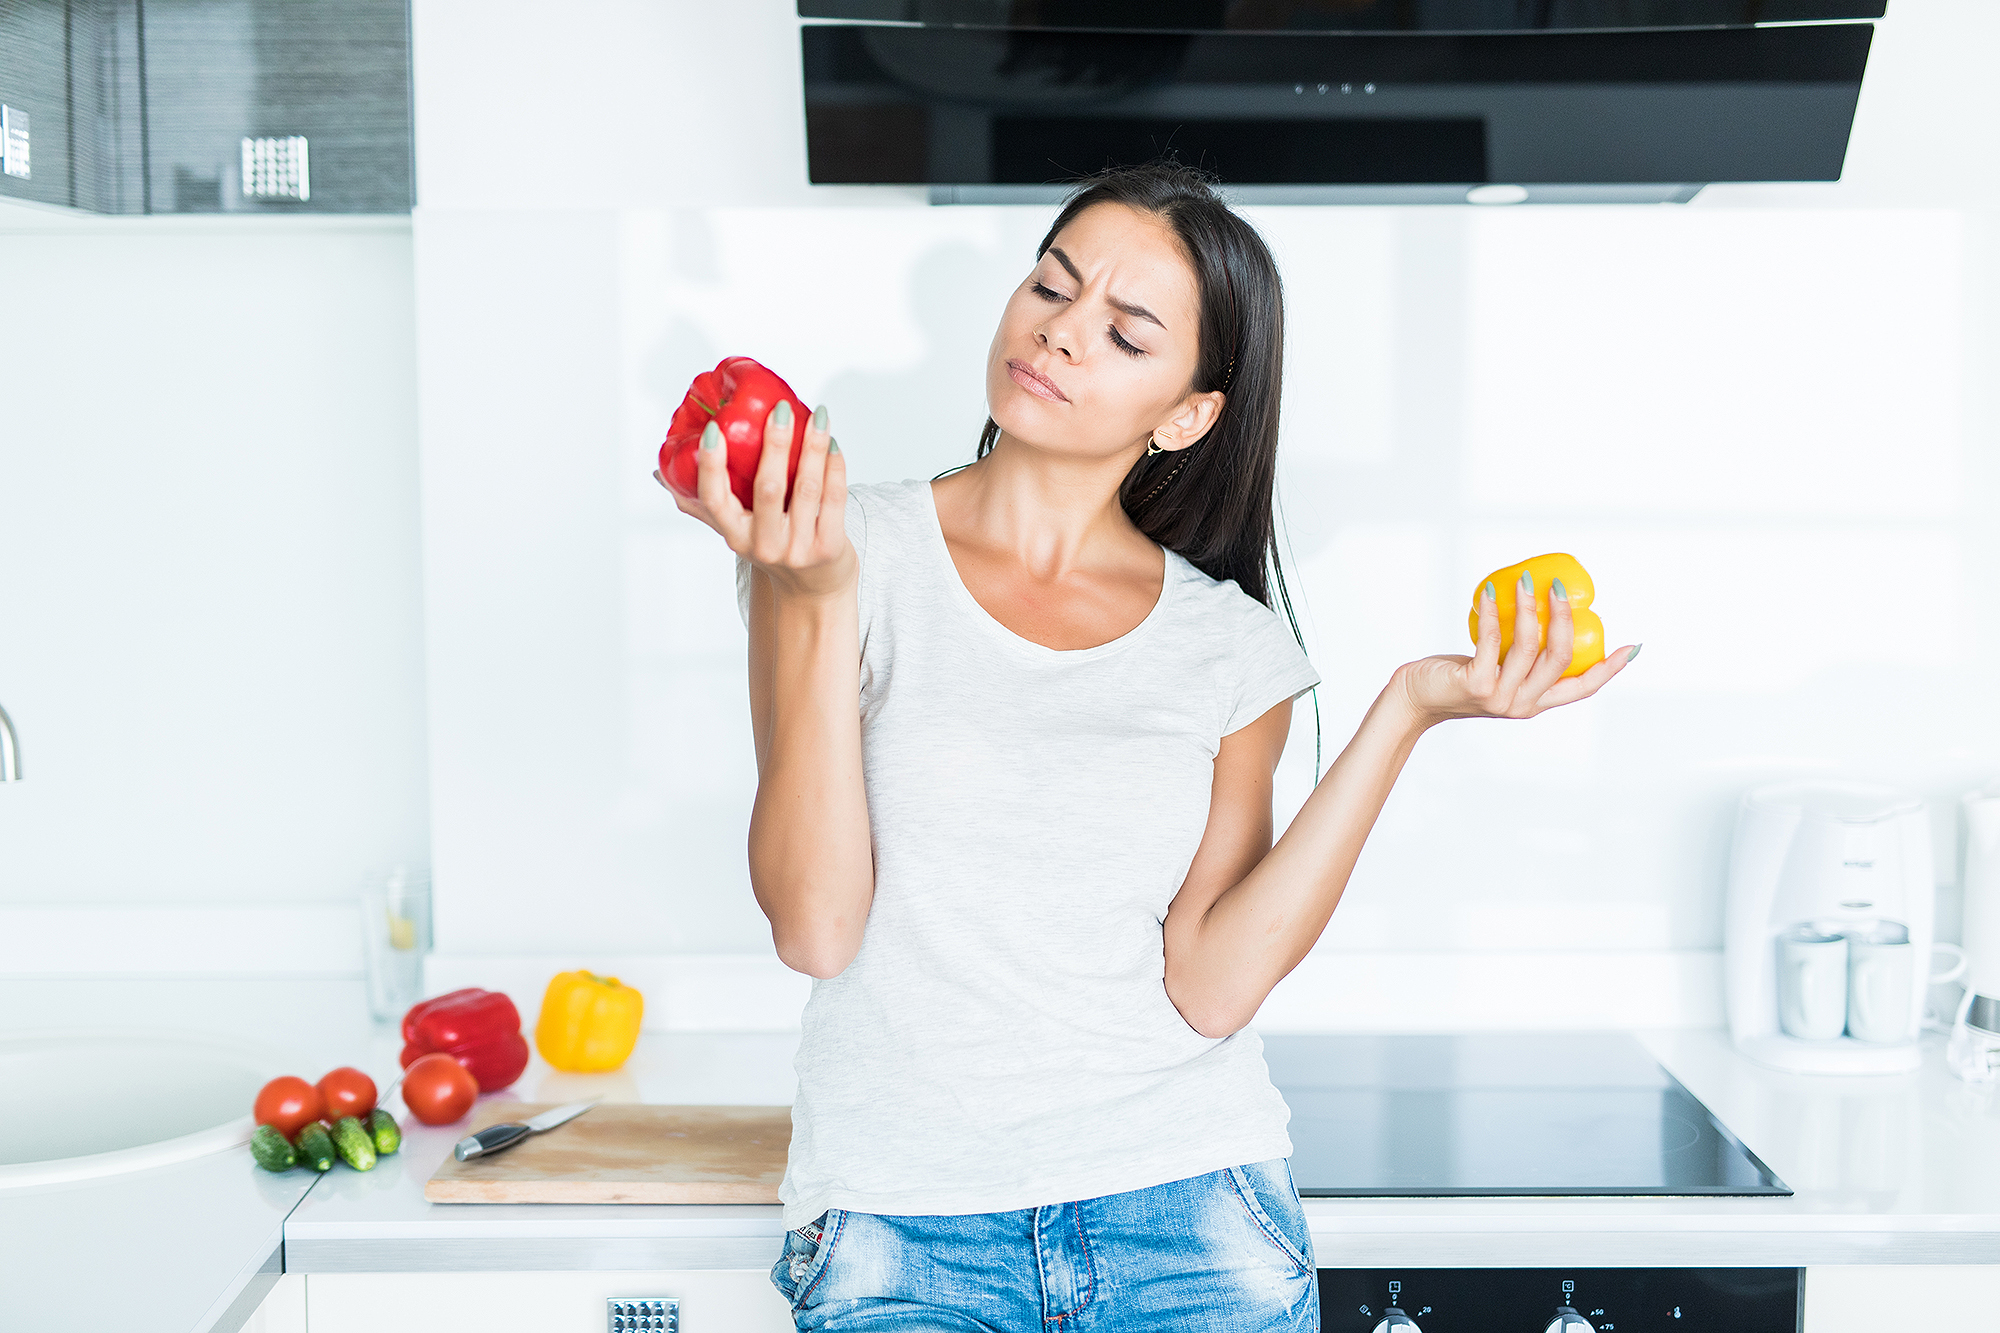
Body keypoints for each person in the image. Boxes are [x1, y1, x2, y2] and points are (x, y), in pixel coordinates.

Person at [661, 162, 1635, 1332]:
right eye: (1050, 288)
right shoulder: (831, 543)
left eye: (1123, 334)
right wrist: (809, 591)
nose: (1061, 335)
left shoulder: (1227, 645)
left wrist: (1409, 706)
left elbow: (1209, 988)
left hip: (1189, 1222)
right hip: (902, 1229)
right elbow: (815, 927)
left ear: (1186, 413)